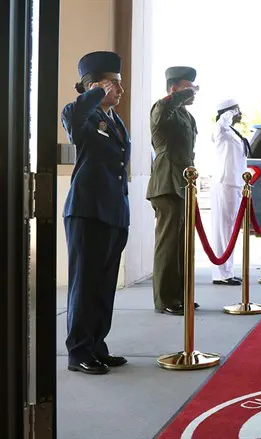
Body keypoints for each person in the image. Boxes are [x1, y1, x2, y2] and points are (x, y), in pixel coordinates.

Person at [61, 51, 130, 374]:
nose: (121, 89)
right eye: (114, 84)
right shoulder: (80, 115)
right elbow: (74, 120)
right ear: (95, 86)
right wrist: (96, 93)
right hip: (87, 211)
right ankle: (78, 352)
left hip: (113, 212)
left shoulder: (114, 120)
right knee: (85, 284)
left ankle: (96, 345)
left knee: (104, 286)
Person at [146, 66, 200, 315]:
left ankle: (180, 295)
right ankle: (165, 299)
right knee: (168, 243)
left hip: (184, 184)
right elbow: (165, 109)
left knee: (182, 243)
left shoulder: (188, 117)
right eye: (188, 87)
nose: (194, 92)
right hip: (167, 182)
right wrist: (180, 95)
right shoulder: (162, 108)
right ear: (174, 88)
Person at [211, 98, 248, 286]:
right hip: (225, 183)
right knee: (224, 229)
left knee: (231, 229)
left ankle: (227, 271)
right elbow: (221, 122)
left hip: (235, 184)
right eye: (237, 110)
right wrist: (231, 111)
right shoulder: (221, 130)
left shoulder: (232, 132)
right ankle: (222, 273)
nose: (240, 113)